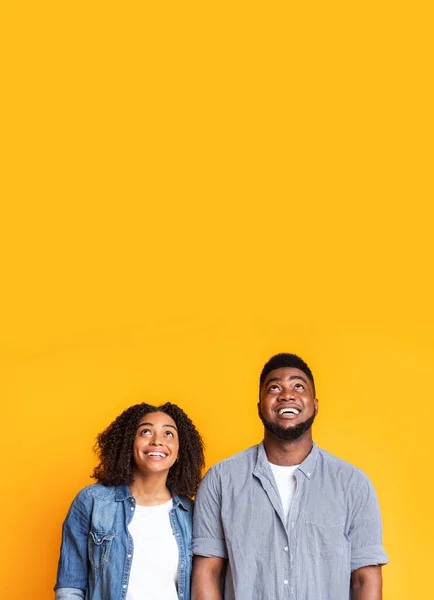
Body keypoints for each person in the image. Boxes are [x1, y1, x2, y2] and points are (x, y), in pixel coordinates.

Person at [192, 353, 389, 600]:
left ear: (315, 404)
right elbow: (207, 573)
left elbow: (365, 579)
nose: (287, 394)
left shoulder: (353, 484)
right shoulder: (220, 480)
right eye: (274, 387)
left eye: (298, 386)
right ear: (259, 407)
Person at [55, 402, 204, 600]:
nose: (157, 441)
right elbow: (70, 588)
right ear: (128, 443)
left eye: (169, 434)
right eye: (145, 432)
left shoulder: (191, 513)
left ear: (179, 451)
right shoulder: (92, 502)